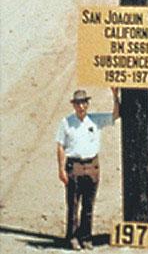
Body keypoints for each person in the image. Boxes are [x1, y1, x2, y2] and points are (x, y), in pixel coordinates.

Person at [56, 88, 120, 251]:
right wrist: (61, 169)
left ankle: (86, 237)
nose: (81, 107)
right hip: (74, 166)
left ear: (87, 104)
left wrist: (115, 96)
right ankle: (72, 237)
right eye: (78, 103)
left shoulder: (95, 120)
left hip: (92, 165)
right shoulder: (66, 122)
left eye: (84, 103)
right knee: (73, 204)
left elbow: (115, 116)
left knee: (89, 205)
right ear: (74, 105)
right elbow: (60, 146)